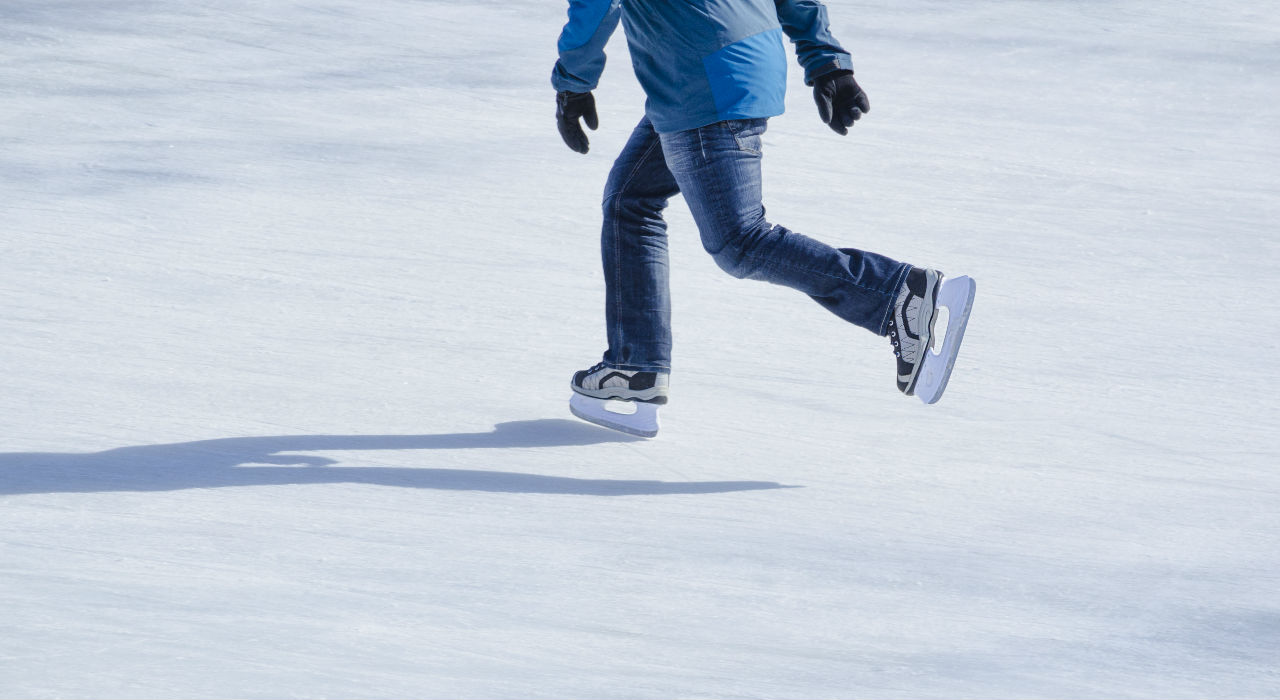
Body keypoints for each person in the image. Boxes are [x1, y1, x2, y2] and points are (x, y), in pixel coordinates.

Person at [553, 0, 972, 424]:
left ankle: (898, 294)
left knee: (739, 242)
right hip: (740, 58)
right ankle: (635, 363)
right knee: (630, 200)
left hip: (700, 76)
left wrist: (573, 82)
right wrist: (828, 63)